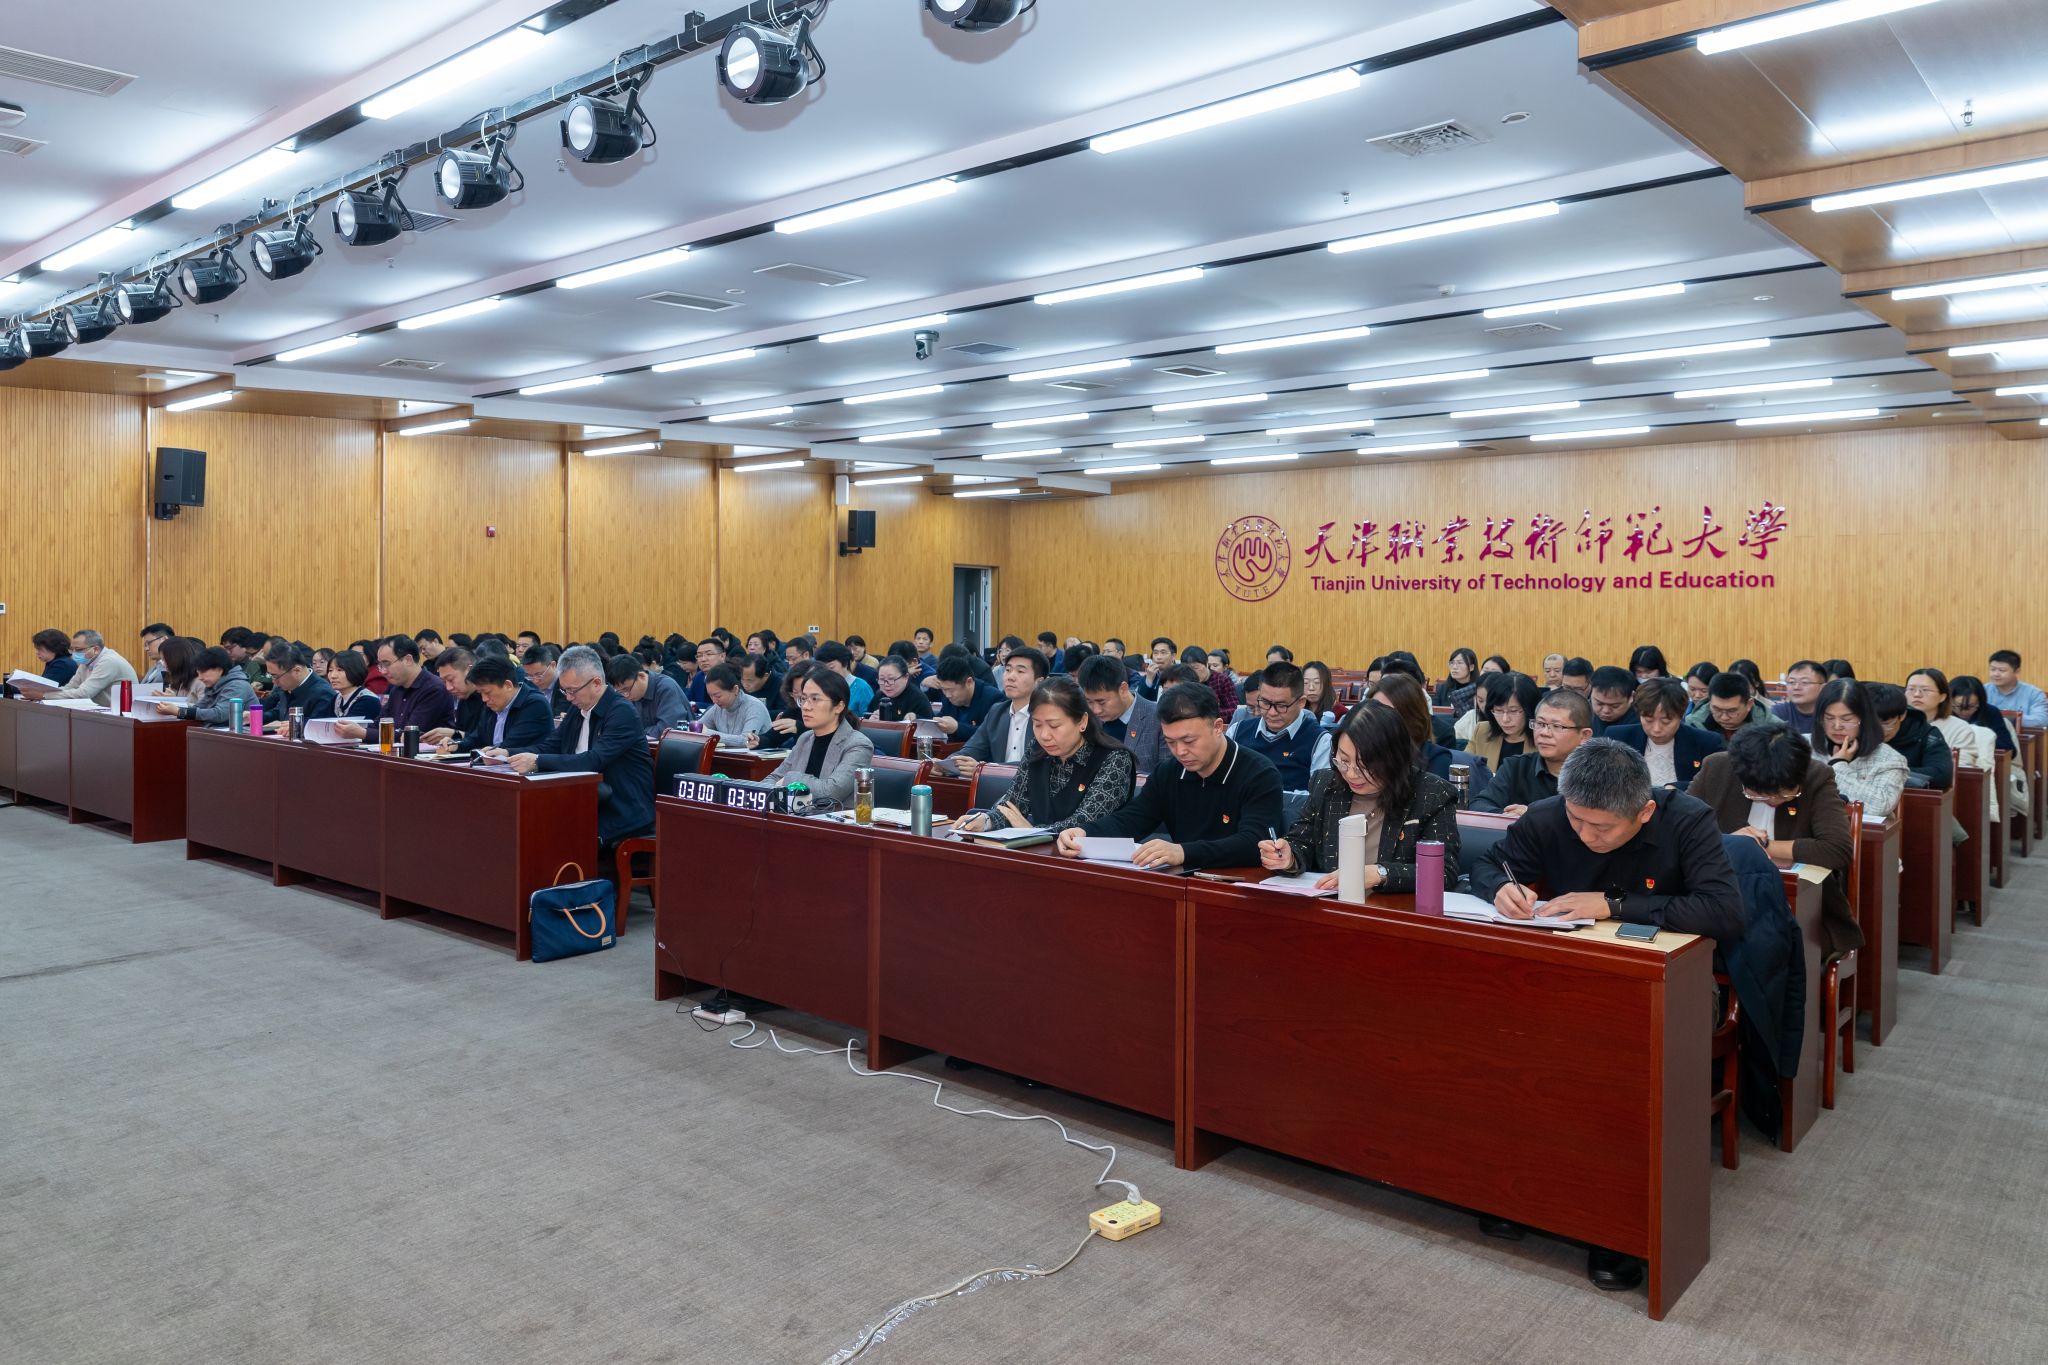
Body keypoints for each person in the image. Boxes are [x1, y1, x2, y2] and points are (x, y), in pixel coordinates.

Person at [1469, 738, 1742, 1292]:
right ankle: (1520, 1191)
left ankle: (1615, 1227)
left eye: (1602, 828)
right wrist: (1501, 887)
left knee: (1611, 1064)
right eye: (1577, 821)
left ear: (1644, 812)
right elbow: (1486, 862)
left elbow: (1724, 912)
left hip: (1674, 988)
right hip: (1569, 980)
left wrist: (1613, 905)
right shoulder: (1551, 815)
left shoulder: (1688, 821)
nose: (1585, 835)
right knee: (1509, 1049)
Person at [1056, 682, 1283, 871]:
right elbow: (1134, 818)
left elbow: (1254, 843)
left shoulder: (1259, 773)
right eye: (1171, 742)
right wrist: (1086, 832)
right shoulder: (1169, 771)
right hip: (1184, 881)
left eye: (1189, 741)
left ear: (1217, 727)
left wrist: (1183, 852)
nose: (1180, 751)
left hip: (1242, 884)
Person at [1689, 724, 1860, 954]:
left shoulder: (1816, 776)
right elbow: (1683, 832)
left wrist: (1759, 846)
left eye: (1785, 794)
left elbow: (1837, 849)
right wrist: (1728, 842)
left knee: (1764, 946)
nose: (1773, 800)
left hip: (1798, 910)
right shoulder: (1716, 768)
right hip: (1720, 898)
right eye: (1759, 794)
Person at [1258, 702, 1461, 893]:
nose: (1351, 774)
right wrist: (1288, 856)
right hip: (1332, 905)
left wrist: (1381, 873)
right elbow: (1302, 842)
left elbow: (1444, 872)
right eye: (1344, 760)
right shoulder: (1326, 784)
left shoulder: (1432, 794)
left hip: (1394, 910)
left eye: (1365, 767)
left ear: (1394, 759)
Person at [508, 646, 655, 852]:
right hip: (585, 800)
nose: (568, 697)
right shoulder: (578, 708)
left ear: (596, 683)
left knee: (555, 835)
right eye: (564, 690)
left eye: (572, 690)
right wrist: (508, 753)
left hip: (621, 807)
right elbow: (551, 745)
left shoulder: (621, 712)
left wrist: (537, 761)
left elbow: (593, 761)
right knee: (527, 823)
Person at [958, 677, 1136, 835]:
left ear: (1082, 721)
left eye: (1054, 726)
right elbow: (1013, 806)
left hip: (1094, 858)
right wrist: (986, 821)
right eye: (1037, 724)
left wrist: (1033, 833)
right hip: (1040, 852)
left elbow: (1085, 823)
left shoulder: (1114, 759)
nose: (1044, 735)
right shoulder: (1037, 751)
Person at [1471, 687, 1593, 814]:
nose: (1544, 733)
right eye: (1540, 724)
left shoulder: (1599, 775)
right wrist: (1510, 817)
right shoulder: (1516, 767)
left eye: (1557, 726)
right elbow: (1479, 805)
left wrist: (1532, 816)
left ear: (1584, 735)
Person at [765, 667, 876, 807]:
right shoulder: (805, 738)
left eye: (815, 699)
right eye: (803, 699)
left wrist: (790, 779)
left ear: (839, 706)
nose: (806, 706)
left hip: (835, 818)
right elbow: (774, 778)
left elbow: (831, 792)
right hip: (798, 815)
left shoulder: (858, 745)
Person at [1367, 673, 1490, 789]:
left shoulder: (1437, 760)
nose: (1378, 718)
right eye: (1373, 710)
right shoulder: (1364, 751)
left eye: (1387, 712)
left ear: (1412, 715)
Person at [1603, 677, 1724, 791]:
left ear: (1681, 715)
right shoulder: (1617, 737)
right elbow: (1603, 779)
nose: (1656, 729)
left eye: (1666, 721)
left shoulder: (1706, 742)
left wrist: (1675, 788)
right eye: (1649, 720)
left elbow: (1714, 784)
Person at [1228, 661, 1332, 792]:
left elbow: (1319, 798)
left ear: (1301, 702)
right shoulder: (1236, 731)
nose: (1272, 713)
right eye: (1265, 702)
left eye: (1281, 705)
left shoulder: (1320, 742)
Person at [1814, 678, 1907, 819]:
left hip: (1862, 832)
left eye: (1846, 719)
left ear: (1864, 718)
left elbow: (1880, 806)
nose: (1837, 726)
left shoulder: (1889, 759)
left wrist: (1838, 766)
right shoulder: (1802, 746)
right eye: (1829, 718)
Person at [955, 648, 1049, 777]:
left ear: (1039, 682)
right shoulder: (997, 712)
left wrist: (986, 770)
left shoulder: (1048, 716)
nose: (1010, 677)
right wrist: (944, 764)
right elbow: (972, 749)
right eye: (1008, 670)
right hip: (995, 786)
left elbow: (1039, 765)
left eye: (1020, 671)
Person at [1909, 669, 1993, 812]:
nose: (1916, 694)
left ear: (1942, 696)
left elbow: (1959, 769)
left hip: (1938, 795)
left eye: (1925, 690)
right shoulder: (1895, 724)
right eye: (1911, 689)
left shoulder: (1959, 728)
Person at [440, 657, 553, 755]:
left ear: (508, 685)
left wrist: (487, 751)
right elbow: (477, 738)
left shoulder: (535, 704)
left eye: (487, 692)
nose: (484, 699)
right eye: (480, 693)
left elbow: (510, 746)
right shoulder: (493, 704)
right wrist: (456, 745)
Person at [1076, 654, 1162, 777]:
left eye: (1102, 702)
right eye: (1089, 701)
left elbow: (1167, 775)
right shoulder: (1084, 717)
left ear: (1123, 689)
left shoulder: (1158, 717)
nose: (1096, 710)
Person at [1869, 683, 1953, 790]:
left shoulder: (1926, 734)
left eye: (1886, 724)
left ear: (1902, 715)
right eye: (1869, 724)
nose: (1877, 731)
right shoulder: (1854, 729)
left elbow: (1942, 775)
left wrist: (1889, 771)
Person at [377, 635, 456, 736]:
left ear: (408, 660)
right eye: (380, 666)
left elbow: (410, 735)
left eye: (387, 664)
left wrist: (364, 733)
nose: (383, 671)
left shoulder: (434, 688)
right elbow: (380, 724)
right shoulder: (396, 689)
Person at [1462, 671, 1539, 772]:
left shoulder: (1543, 738)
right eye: (1498, 710)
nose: (1505, 719)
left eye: (1513, 711)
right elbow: (1463, 768)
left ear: (1530, 709)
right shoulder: (1482, 731)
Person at [158, 646, 255, 725]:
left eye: (202, 672)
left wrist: (180, 711)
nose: (200, 678)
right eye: (198, 673)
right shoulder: (215, 684)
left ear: (219, 669)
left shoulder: (237, 685)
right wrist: (173, 707)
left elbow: (220, 714)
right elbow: (200, 707)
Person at [40, 631, 138, 707]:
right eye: (72, 649)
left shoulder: (109, 661)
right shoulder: (87, 660)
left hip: (121, 715)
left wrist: (44, 695)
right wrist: (42, 692)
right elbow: (71, 686)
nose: (74, 653)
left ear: (96, 649)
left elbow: (84, 693)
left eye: (78, 650)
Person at [608, 652, 691, 739]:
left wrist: (636, 733)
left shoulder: (666, 687)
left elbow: (668, 730)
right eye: (620, 692)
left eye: (626, 689)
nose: (626, 696)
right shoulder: (630, 694)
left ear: (641, 676)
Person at [260, 641, 336, 732]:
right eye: (271, 675)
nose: (274, 681)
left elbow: (321, 726)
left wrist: (297, 725)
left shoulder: (323, 693)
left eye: (275, 676)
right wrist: (256, 717)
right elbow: (281, 712)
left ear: (297, 671)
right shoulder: (288, 684)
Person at [932, 654, 1003, 742]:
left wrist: (958, 728)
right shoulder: (948, 697)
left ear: (969, 682)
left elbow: (992, 735)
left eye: (951, 690)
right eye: (943, 689)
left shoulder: (993, 698)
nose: (947, 695)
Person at [1689, 671, 1769, 744]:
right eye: (1717, 709)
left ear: (1749, 704)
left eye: (1732, 711)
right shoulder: (1693, 725)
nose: (1724, 718)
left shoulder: (1771, 729)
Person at [701, 663, 771, 744]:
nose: (714, 701)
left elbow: (747, 740)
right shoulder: (717, 708)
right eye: (710, 696)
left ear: (735, 689)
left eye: (718, 696)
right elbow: (698, 727)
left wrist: (709, 734)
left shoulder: (754, 707)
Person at [1986, 650, 2048, 729]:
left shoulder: (2034, 693)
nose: (1996, 674)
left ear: (2017, 671)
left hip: (2020, 736)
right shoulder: (1982, 691)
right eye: (1993, 669)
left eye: (2002, 670)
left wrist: (2006, 718)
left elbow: (2042, 720)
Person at [318, 650, 384, 723]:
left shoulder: (368, 700)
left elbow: (345, 727)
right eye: (330, 670)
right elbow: (318, 720)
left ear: (355, 670)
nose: (333, 676)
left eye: (340, 670)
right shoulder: (337, 698)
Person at [813, 641, 875, 716]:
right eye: (823, 669)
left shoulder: (862, 688)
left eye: (831, 667)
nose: (827, 673)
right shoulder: (820, 687)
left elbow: (869, 719)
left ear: (845, 663)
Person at [1770, 660, 1827, 738]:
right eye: (1791, 682)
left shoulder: (1830, 713)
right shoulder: (1778, 713)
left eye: (1805, 682)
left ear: (1822, 687)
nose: (1796, 687)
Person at [869, 654, 934, 721]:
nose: (886, 684)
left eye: (891, 679)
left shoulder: (918, 699)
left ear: (906, 677)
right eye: (882, 679)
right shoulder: (879, 696)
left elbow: (929, 725)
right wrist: (871, 721)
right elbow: (866, 718)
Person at [1180, 646, 1240, 715]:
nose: (1191, 672)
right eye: (1187, 669)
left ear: (1206, 664)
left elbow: (1234, 710)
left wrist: (1208, 713)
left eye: (1195, 668)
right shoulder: (1183, 681)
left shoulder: (1222, 680)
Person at [1587, 666, 1636, 734]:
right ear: (1590, 691)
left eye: (1615, 706)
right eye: (1599, 703)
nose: (1606, 711)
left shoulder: (1642, 723)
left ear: (1631, 697)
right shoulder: (1582, 713)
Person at [522, 644, 568, 715]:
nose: (535, 681)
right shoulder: (526, 684)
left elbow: (557, 714)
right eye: (530, 676)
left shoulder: (566, 686)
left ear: (553, 665)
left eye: (539, 674)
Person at [1435, 648, 1480, 717]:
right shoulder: (1442, 688)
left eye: (1460, 663)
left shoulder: (1478, 689)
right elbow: (1434, 712)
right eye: (1452, 663)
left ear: (1471, 667)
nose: (1454, 667)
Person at [157, 636, 203, 701]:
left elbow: (206, 707)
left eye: (164, 659)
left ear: (176, 659)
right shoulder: (177, 680)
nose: (162, 663)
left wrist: (175, 701)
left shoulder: (201, 681)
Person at [687, 638, 727, 708]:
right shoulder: (699, 677)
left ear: (722, 656)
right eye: (699, 655)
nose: (703, 659)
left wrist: (698, 705)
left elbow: (726, 706)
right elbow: (688, 701)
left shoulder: (731, 676)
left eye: (709, 654)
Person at [1301, 660, 1337, 724]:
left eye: (1317, 682)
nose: (1311, 688)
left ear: (1327, 684)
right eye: (1306, 682)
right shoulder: (1297, 711)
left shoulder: (1339, 712)